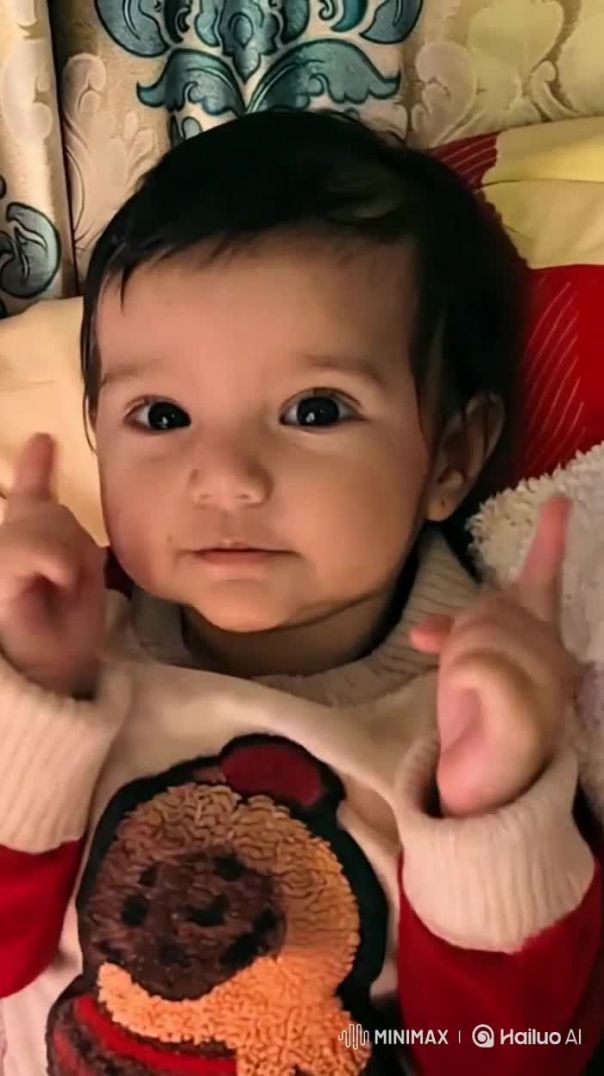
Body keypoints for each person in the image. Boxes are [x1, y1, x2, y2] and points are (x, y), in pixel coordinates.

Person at [0, 110, 601, 1076]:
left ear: (451, 455)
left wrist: (494, 813)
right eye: (161, 416)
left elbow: (512, 1056)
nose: (226, 477)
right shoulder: (59, 640)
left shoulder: (488, 705)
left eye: (314, 410)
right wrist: (32, 699)